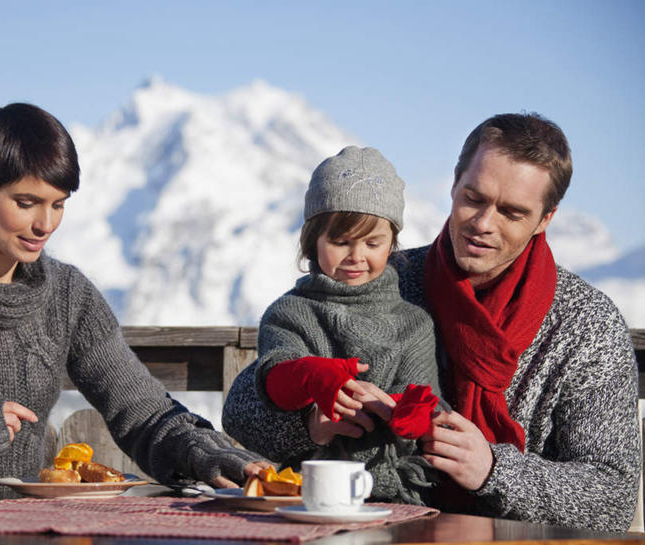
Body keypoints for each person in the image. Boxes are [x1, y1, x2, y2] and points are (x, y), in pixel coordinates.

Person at [222, 113, 640, 532]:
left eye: (512, 212)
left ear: (545, 218)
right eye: (474, 198)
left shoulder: (587, 325)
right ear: (454, 183)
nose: (483, 224)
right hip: (377, 531)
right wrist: (310, 424)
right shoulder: (383, 278)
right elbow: (243, 407)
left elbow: (614, 497)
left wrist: (493, 469)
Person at [0, 103, 266, 491]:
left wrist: (202, 451)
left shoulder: (68, 296)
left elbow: (142, 411)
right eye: (25, 202)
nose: (45, 224)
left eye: (58, 204)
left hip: (30, 529)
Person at [223, 146, 442, 504]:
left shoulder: (413, 323)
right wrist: (308, 376)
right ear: (313, 242)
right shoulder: (289, 314)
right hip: (306, 491)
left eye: (373, 242)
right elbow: (274, 378)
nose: (356, 256)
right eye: (340, 242)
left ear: (393, 243)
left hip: (395, 495)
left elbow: (426, 402)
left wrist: (403, 413)